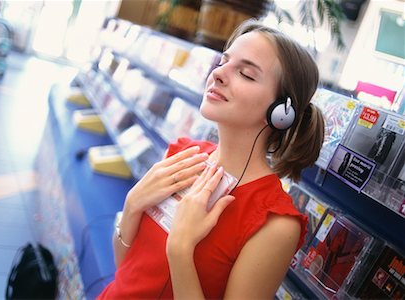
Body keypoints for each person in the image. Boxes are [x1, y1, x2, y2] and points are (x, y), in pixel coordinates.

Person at [97, 18, 324, 299]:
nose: (218, 74)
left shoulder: (275, 223)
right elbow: (127, 271)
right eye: (223, 62)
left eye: (246, 74)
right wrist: (132, 206)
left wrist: (181, 249)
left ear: (281, 113)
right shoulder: (183, 155)